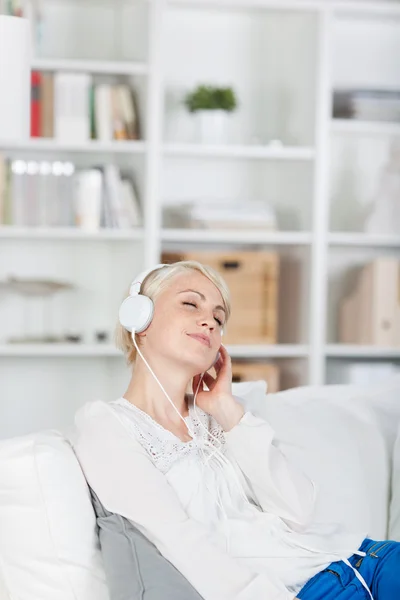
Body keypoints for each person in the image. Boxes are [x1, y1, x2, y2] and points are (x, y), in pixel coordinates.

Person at [73, 261, 400, 600]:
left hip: (365, 560)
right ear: (139, 318)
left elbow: (299, 513)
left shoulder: (221, 415)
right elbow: (176, 538)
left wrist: (228, 411)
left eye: (218, 318)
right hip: (311, 593)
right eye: (190, 303)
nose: (209, 322)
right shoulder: (106, 423)